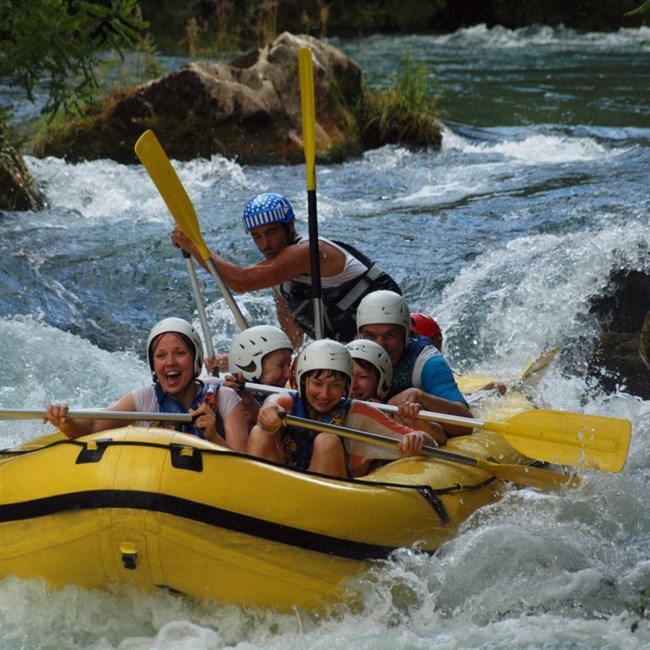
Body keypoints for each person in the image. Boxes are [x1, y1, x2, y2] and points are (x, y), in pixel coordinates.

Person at [171, 192, 401, 347]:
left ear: (289, 226)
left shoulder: (309, 251)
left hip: (387, 342)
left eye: (271, 232)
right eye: (257, 236)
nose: (265, 244)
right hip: (349, 353)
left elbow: (241, 282)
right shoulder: (282, 282)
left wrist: (194, 246)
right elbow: (294, 344)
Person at [44, 317, 249, 452]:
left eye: (179, 353)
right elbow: (92, 428)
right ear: (153, 364)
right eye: (161, 356)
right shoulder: (144, 399)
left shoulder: (224, 398)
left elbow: (245, 467)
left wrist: (212, 435)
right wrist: (65, 422)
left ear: (195, 360)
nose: (170, 362)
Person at [247, 339, 436, 478]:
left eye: (335, 385)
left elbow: (430, 445)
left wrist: (419, 438)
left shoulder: (358, 413)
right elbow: (272, 403)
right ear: (303, 381)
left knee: (326, 442)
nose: (324, 394)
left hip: (329, 500)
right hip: (279, 492)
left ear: (346, 385)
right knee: (260, 433)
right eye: (317, 383)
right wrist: (269, 413)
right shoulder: (286, 401)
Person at [356, 290, 474, 438]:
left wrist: (420, 397)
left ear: (405, 335)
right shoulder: (352, 357)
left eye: (389, 335)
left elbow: (467, 425)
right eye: (370, 336)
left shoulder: (428, 362)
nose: (380, 345)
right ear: (360, 335)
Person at [346, 339, 447, 447]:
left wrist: (421, 425)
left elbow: (441, 438)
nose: (353, 385)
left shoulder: (392, 413)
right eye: (348, 376)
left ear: (381, 380)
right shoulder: (331, 406)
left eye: (363, 377)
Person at [221, 324, 294, 429]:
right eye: (281, 365)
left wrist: (250, 404)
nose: (288, 374)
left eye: (289, 364)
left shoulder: (291, 398)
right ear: (251, 367)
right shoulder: (224, 395)